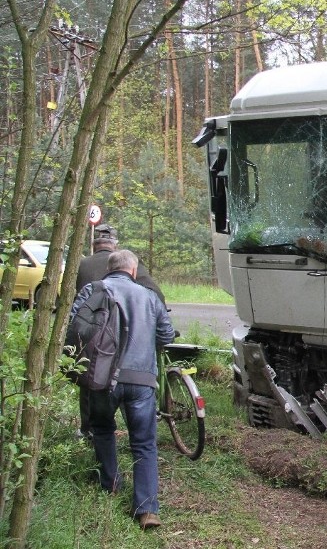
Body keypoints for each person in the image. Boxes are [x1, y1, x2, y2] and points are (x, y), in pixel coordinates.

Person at [70, 249, 175, 530]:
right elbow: (166, 335)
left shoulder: (94, 289)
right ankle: (147, 510)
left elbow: (74, 326)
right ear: (132, 270)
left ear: (109, 269)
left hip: (102, 379)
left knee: (103, 430)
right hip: (141, 381)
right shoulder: (149, 296)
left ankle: (111, 484)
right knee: (144, 443)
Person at [75, 224, 166, 439]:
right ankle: (140, 425)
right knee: (132, 376)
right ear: (115, 245)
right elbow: (155, 292)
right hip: (126, 332)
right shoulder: (129, 263)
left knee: (90, 379)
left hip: (92, 334)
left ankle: (88, 429)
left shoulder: (81, 264)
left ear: (94, 245)